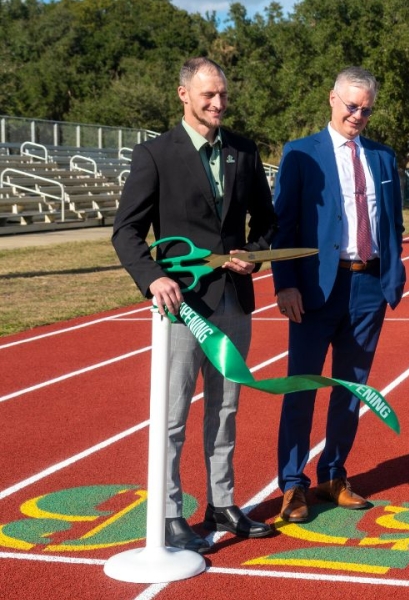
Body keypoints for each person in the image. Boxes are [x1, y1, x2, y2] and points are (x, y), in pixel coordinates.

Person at [112, 57, 278, 553]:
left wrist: (254, 252)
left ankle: (222, 503)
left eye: (223, 95)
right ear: (183, 95)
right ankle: (167, 513)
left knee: (225, 410)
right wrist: (153, 277)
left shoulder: (244, 153)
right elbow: (126, 232)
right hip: (182, 306)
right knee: (173, 416)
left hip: (234, 303)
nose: (218, 103)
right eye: (208, 95)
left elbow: (267, 222)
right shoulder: (155, 155)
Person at [271, 66, 406, 523]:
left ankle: (333, 474)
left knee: (352, 389)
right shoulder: (300, 154)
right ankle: (292, 485)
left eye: (366, 109)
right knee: (302, 388)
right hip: (313, 289)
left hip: (368, 287)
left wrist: (393, 276)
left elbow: (393, 222)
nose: (358, 116)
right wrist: (284, 283)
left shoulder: (384, 158)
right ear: (332, 99)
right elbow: (283, 225)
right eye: (351, 106)